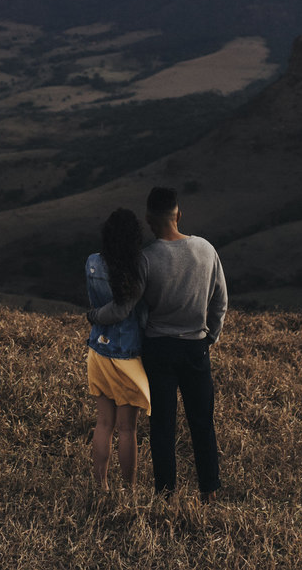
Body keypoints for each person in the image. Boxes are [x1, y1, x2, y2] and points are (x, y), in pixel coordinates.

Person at [89, 187, 227, 501]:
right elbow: (220, 301)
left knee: (163, 427)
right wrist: (211, 336)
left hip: (159, 350)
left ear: (150, 220)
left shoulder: (147, 258)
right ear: (179, 214)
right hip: (196, 347)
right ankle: (210, 491)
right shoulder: (206, 249)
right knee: (202, 423)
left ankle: (166, 494)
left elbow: (125, 308)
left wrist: (93, 314)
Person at [85, 208, 151, 491]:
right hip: (126, 355)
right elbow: (130, 311)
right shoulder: (138, 266)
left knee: (103, 424)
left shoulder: (92, 262)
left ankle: (101, 486)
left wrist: (94, 317)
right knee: (128, 430)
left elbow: (95, 302)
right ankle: (129, 489)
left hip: (98, 350)